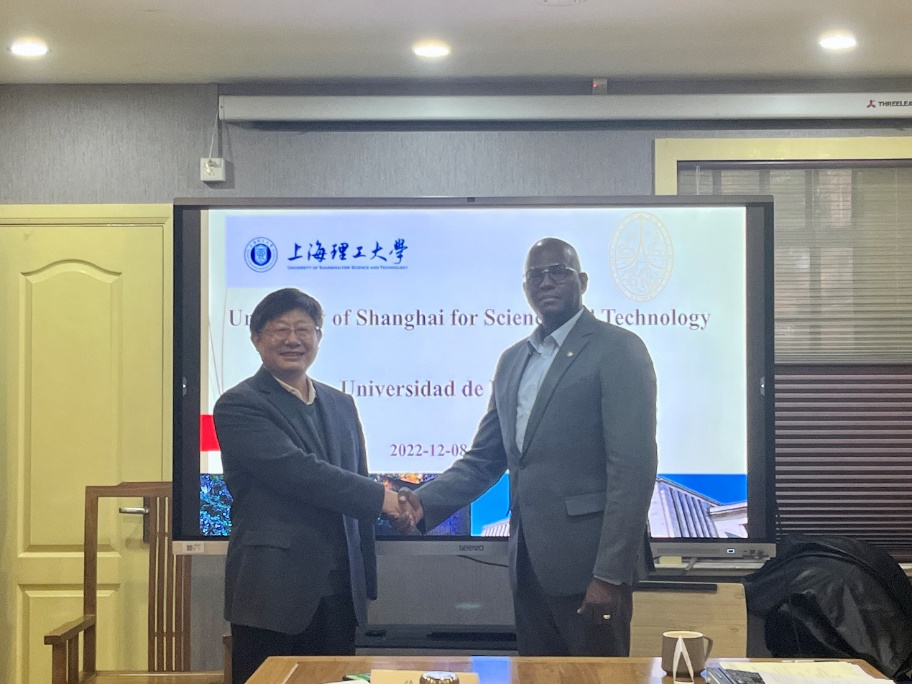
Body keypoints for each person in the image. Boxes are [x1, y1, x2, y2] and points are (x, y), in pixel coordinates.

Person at [397, 238, 658, 656]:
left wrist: (610, 575)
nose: (546, 282)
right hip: (529, 566)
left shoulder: (618, 349)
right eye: (535, 275)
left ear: (582, 282)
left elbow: (633, 470)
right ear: (525, 288)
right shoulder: (513, 360)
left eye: (558, 272)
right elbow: (484, 459)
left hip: (591, 571)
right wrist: (422, 503)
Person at [213, 288, 409, 684]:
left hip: (340, 590)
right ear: (256, 339)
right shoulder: (239, 405)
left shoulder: (341, 403)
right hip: (271, 589)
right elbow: (299, 472)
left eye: (303, 329)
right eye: (279, 329)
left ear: (318, 337)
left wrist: (366, 580)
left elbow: (357, 475)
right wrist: (383, 500)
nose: (293, 339)